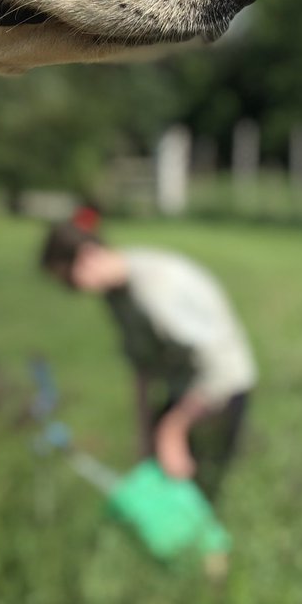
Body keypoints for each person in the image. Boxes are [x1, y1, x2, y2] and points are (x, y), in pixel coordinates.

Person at [39, 214, 256, 501]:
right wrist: (145, 435)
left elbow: (215, 366)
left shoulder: (156, 289)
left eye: (68, 279)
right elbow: (142, 365)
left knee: (201, 493)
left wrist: (173, 429)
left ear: (88, 256)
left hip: (221, 392)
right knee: (166, 488)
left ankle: (210, 545)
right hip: (183, 390)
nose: (72, 290)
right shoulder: (116, 293)